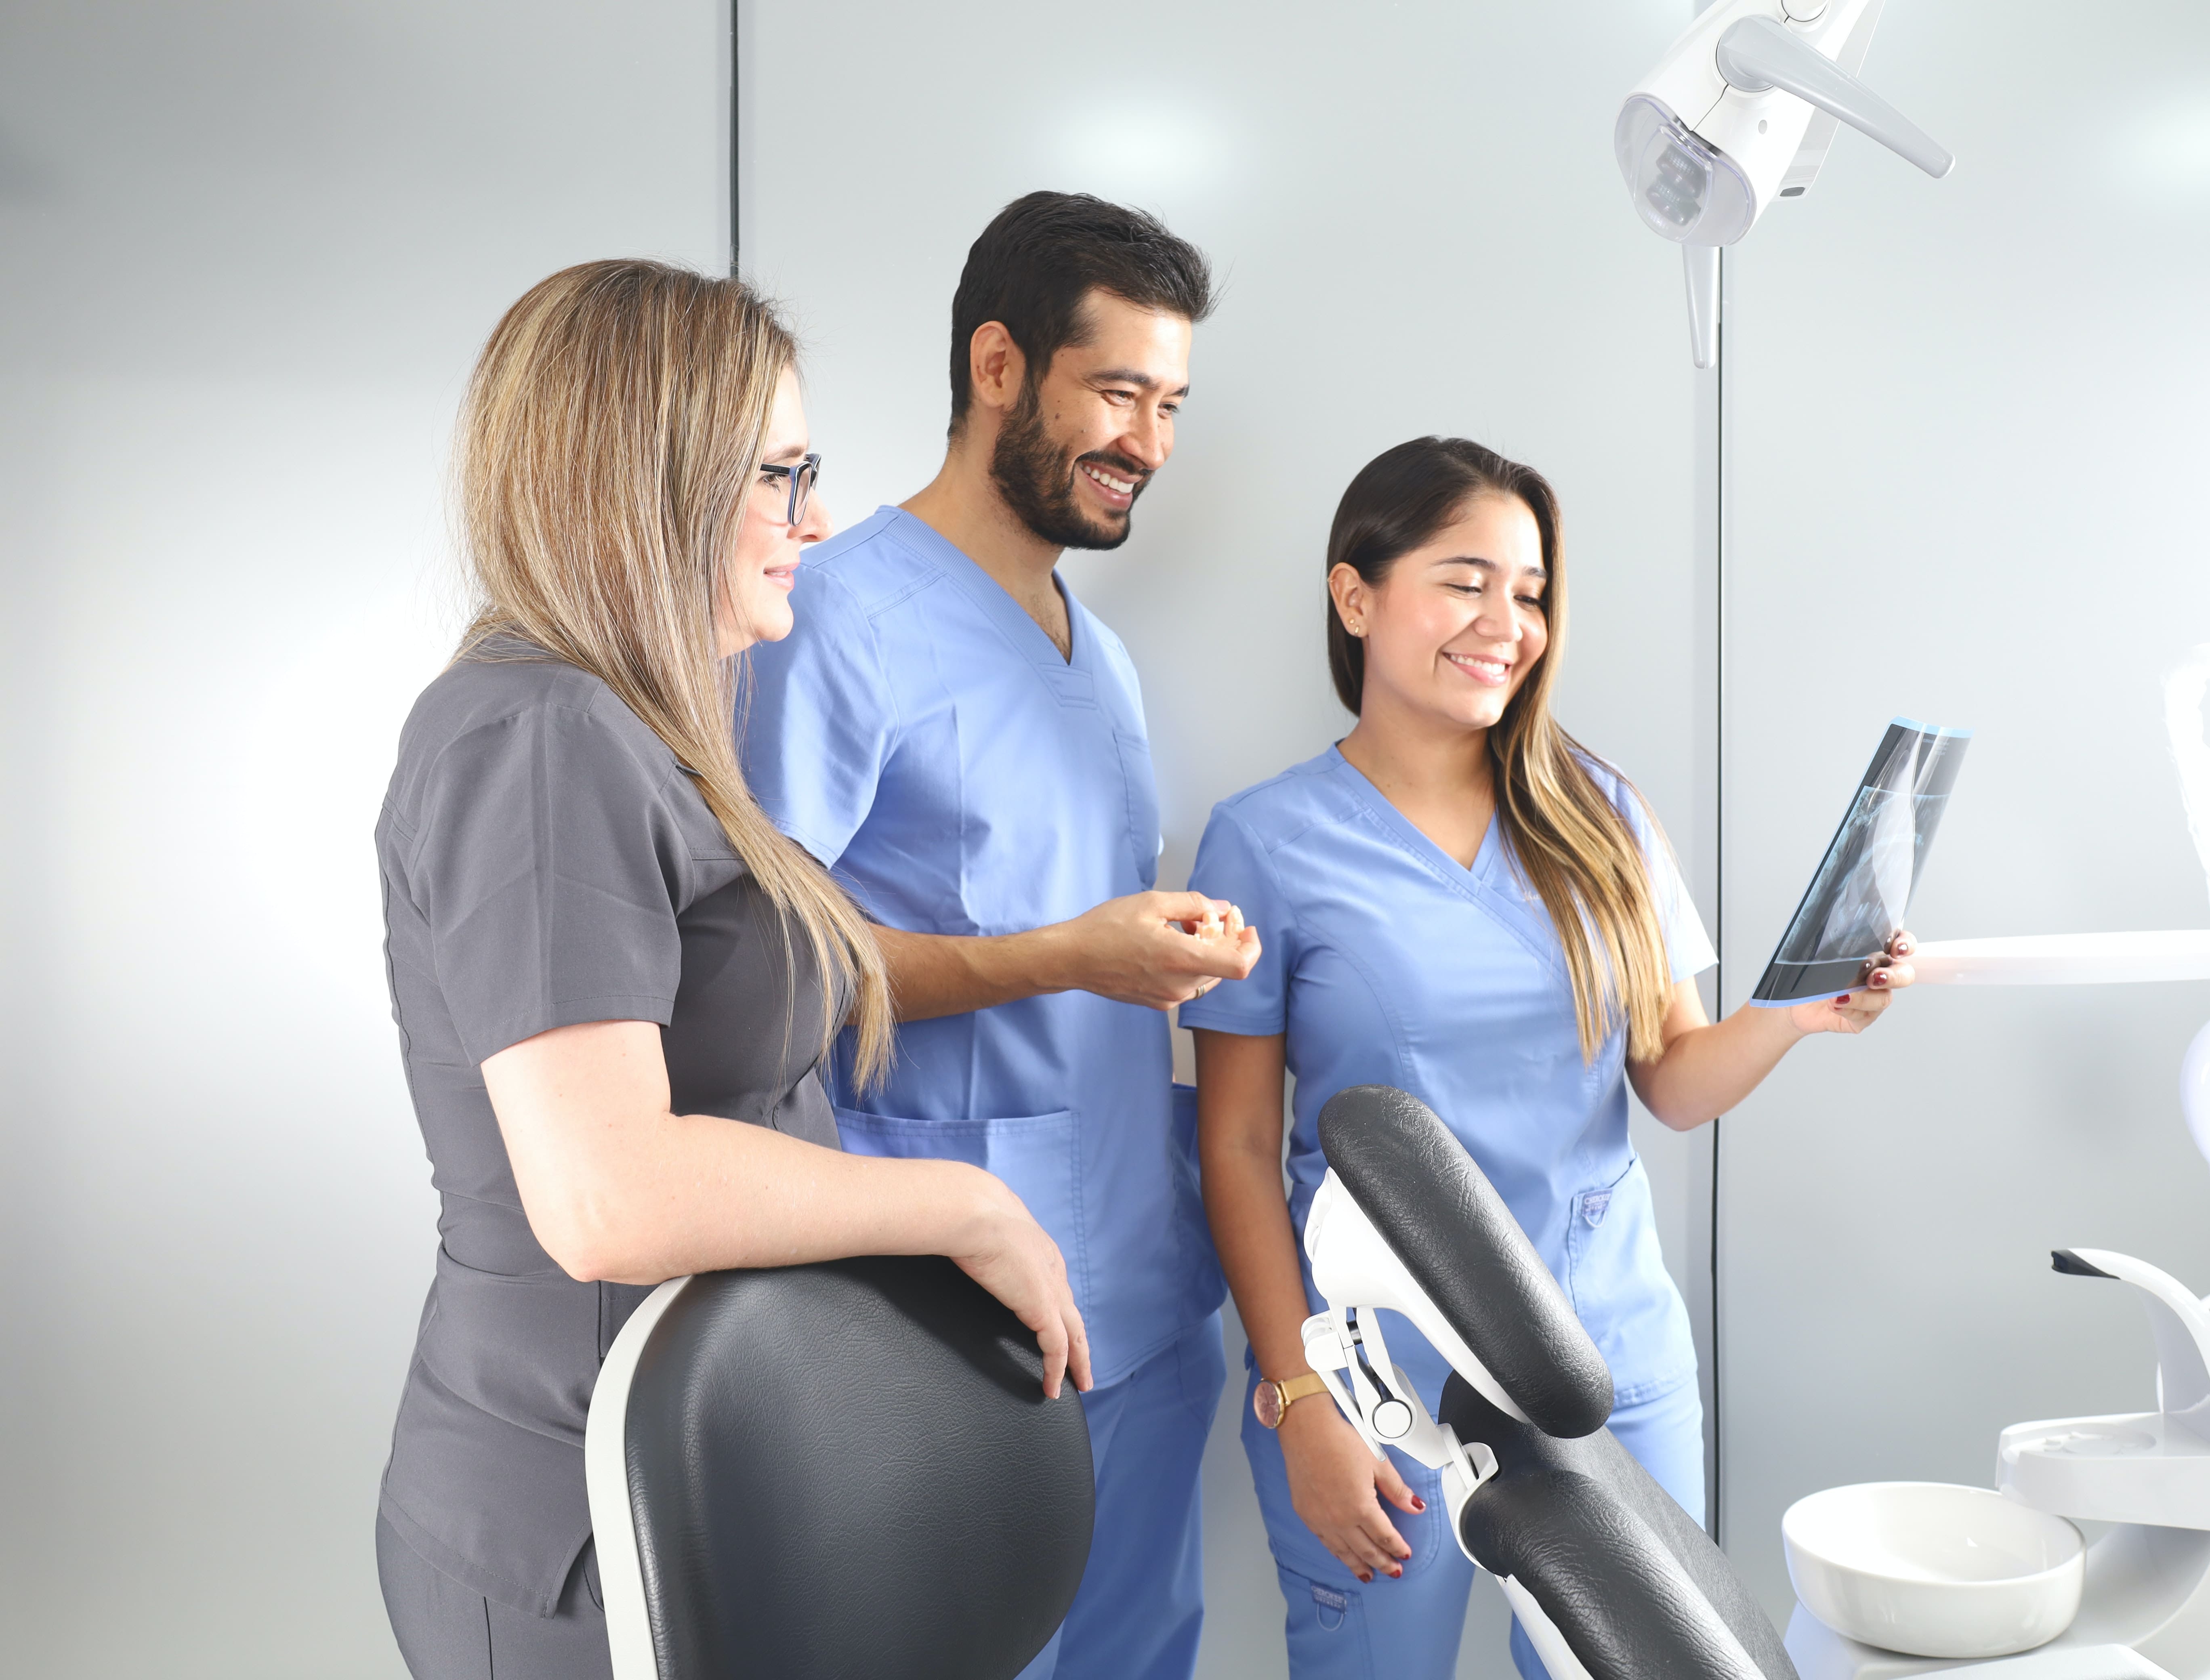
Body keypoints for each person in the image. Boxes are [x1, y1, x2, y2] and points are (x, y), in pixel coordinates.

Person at [373, 259, 1088, 1679]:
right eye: (781, 475)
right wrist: (961, 1205)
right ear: (655, 484)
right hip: (584, 1529)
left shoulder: (642, 735)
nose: (816, 520)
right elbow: (607, 1194)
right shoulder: (538, 738)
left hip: (716, 1485)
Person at [1181, 437, 1916, 1680]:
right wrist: (1301, 1394)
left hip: (1608, 1360)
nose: (1506, 623)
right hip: (1382, 1386)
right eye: (1465, 581)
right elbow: (1241, 1150)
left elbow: (1675, 1081)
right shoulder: (1266, 842)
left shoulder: (1602, 816)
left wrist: (1798, 1012)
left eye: (1529, 592)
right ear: (1357, 597)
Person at [738, 193, 1257, 1680]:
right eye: (1115, 392)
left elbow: (1095, 949)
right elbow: (777, 971)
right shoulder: (831, 617)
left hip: (1142, 1302)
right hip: (944, 1306)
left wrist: (1157, 949)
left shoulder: (1110, 665)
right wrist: (1068, 956)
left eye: (1168, 404)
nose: (1148, 442)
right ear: (998, 369)